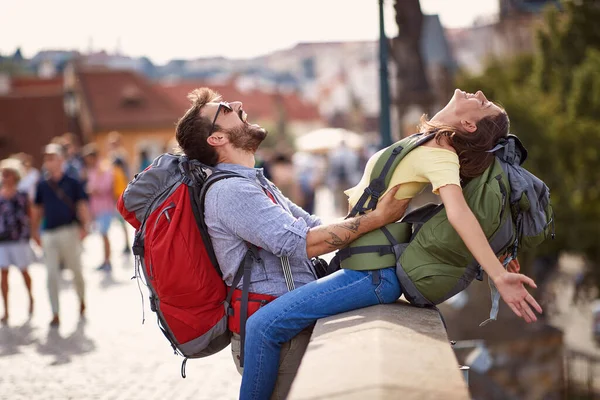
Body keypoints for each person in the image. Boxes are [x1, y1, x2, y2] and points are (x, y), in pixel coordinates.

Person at [237, 89, 544, 399]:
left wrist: (498, 273)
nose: (477, 93)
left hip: (372, 275)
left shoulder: (440, 156)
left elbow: (460, 213)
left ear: (468, 123)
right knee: (266, 326)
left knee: (263, 327)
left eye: (482, 103)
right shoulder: (428, 144)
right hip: (365, 268)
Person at [174, 88, 408, 400]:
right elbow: (303, 243)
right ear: (216, 138)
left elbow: (312, 226)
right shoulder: (231, 191)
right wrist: (378, 219)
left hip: (292, 322)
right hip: (279, 335)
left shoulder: (253, 181)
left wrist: (371, 206)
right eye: (227, 109)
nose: (239, 104)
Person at [31, 143, 91, 327]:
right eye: (46, 158)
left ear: (61, 160)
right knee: (51, 275)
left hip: (69, 230)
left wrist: (85, 227)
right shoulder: (41, 185)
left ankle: (81, 300)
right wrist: (34, 232)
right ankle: (55, 312)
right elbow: (37, 210)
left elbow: (81, 205)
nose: (48, 162)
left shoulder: (72, 182)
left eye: (52, 158)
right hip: (49, 233)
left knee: (76, 272)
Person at [0, 158, 35, 325]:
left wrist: (33, 234)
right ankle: (6, 310)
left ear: (14, 176)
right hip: (3, 240)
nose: (4, 177)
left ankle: (30, 299)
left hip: (19, 239)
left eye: (7, 174)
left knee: (24, 272)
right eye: (3, 174)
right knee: (4, 275)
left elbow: (30, 214)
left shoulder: (22, 195)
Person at [82, 144, 115, 272]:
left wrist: (93, 190)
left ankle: (107, 261)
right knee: (102, 235)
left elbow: (105, 187)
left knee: (104, 235)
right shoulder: (92, 170)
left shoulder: (104, 168)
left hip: (105, 207)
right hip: (97, 208)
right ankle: (105, 260)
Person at [107, 131, 131, 254]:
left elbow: (125, 173)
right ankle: (126, 243)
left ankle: (127, 243)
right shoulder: (113, 157)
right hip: (116, 191)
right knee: (121, 220)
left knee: (123, 219)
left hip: (121, 190)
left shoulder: (120, 156)